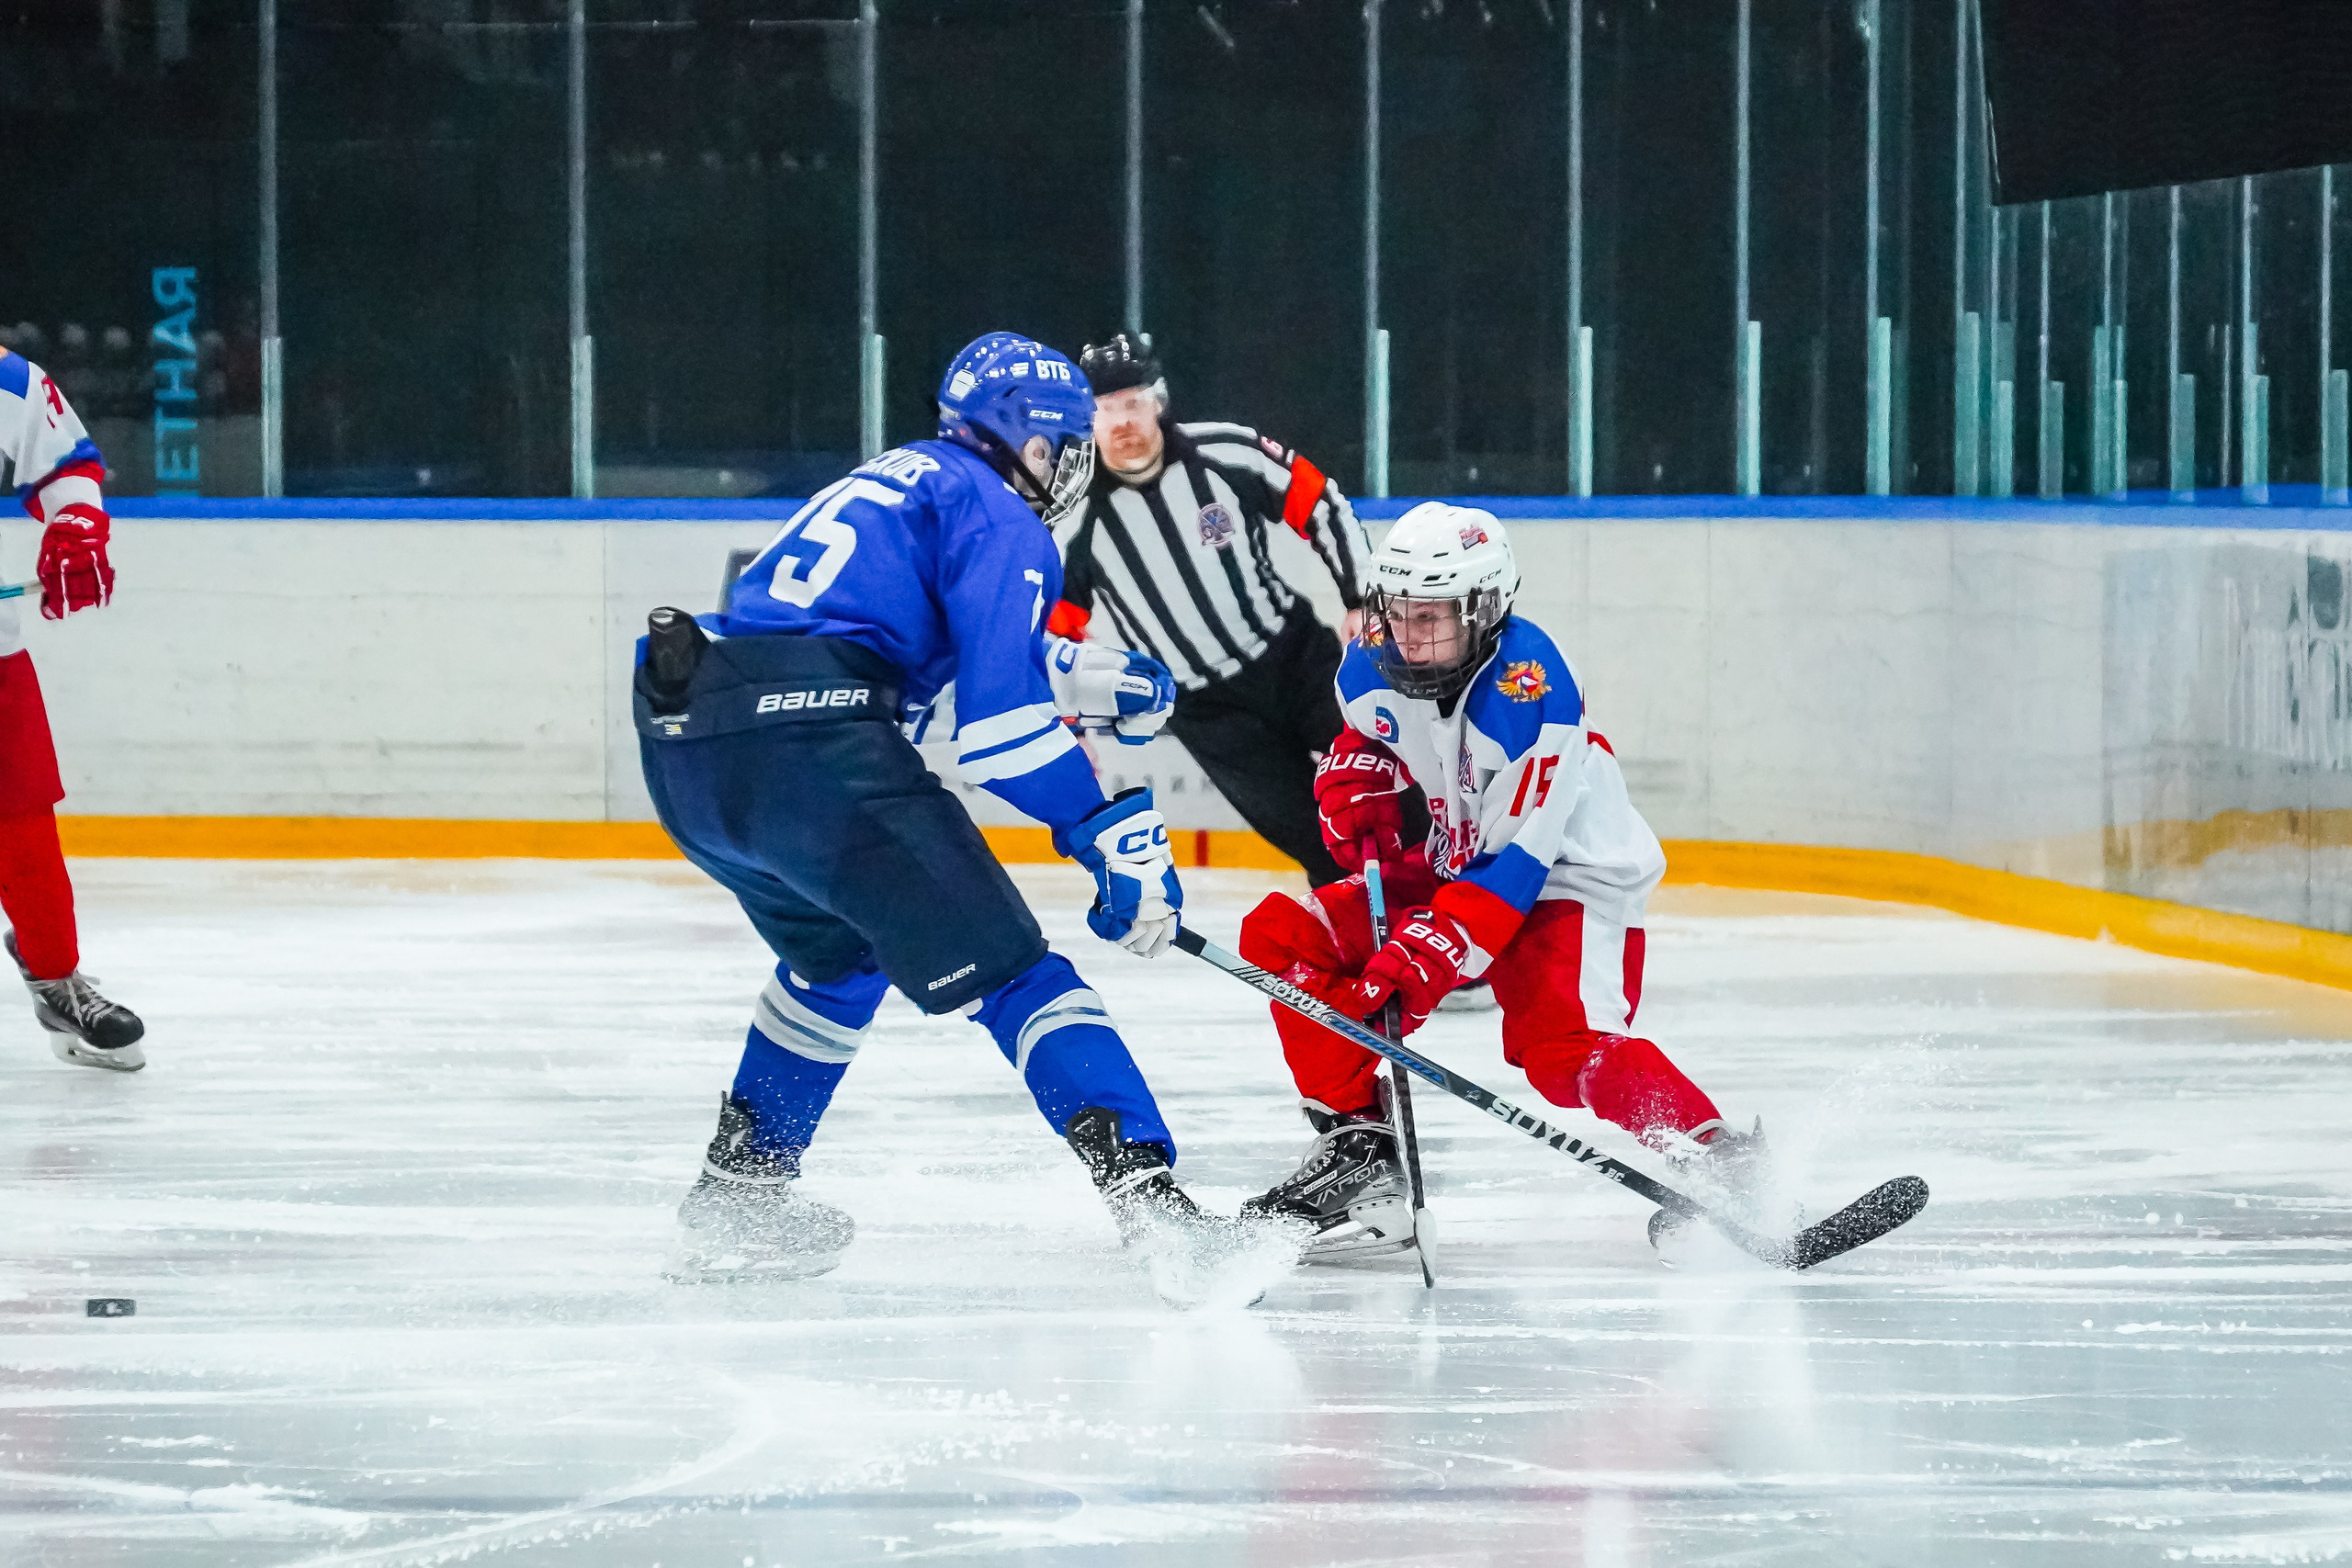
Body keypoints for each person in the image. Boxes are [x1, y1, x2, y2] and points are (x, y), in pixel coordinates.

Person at [635, 332, 1285, 1294]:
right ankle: (1162, 1218)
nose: (1073, 467)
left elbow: (868, 663)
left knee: (839, 961)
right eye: (1068, 445)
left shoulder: (904, 480)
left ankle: (738, 1198)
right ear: (1031, 440)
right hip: (812, 753)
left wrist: (1079, 673)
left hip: (695, 748)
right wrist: (1108, 833)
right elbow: (999, 731)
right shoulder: (999, 513)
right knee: (1021, 976)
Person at [1234, 502, 1763, 1258]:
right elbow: (1373, 739)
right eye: (1398, 611)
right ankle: (1361, 1149)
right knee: (1286, 934)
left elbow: (1518, 864)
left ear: (1483, 609)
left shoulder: (1530, 692)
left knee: (1561, 1052)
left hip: (1567, 876)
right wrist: (1360, 773)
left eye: (1431, 616)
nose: (1408, 635)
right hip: (1461, 859)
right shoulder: (1372, 662)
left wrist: (1434, 947)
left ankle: (1722, 1157)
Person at [1051, 333, 1393, 890]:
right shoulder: (1075, 513)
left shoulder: (1226, 452)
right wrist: (1070, 727)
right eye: (1104, 410)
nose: (1122, 422)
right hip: (1206, 713)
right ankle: (1362, 934)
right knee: (1309, 834)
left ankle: (1448, 916)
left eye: (1133, 403)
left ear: (1158, 401)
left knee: (1386, 788)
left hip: (1295, 659)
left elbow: (1320, 503)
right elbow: (1056, 629)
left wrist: (1360, 600)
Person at [0, 340, 144, 1070]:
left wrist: (75, 524)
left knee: (22, 822)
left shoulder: (4, 379)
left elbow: (65, 464)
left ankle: (56, 977)